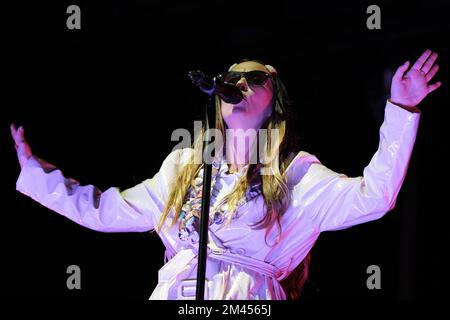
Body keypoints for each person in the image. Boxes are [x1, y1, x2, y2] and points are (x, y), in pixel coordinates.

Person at [11, 50, 441, 300]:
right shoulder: (183, 168)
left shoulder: (297, 177)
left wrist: (402, 110)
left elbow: (375, 196)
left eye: (255, 77)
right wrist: (35, 173)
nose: (240, 83)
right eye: (233, 77)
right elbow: (104, 211)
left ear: (275, 101)